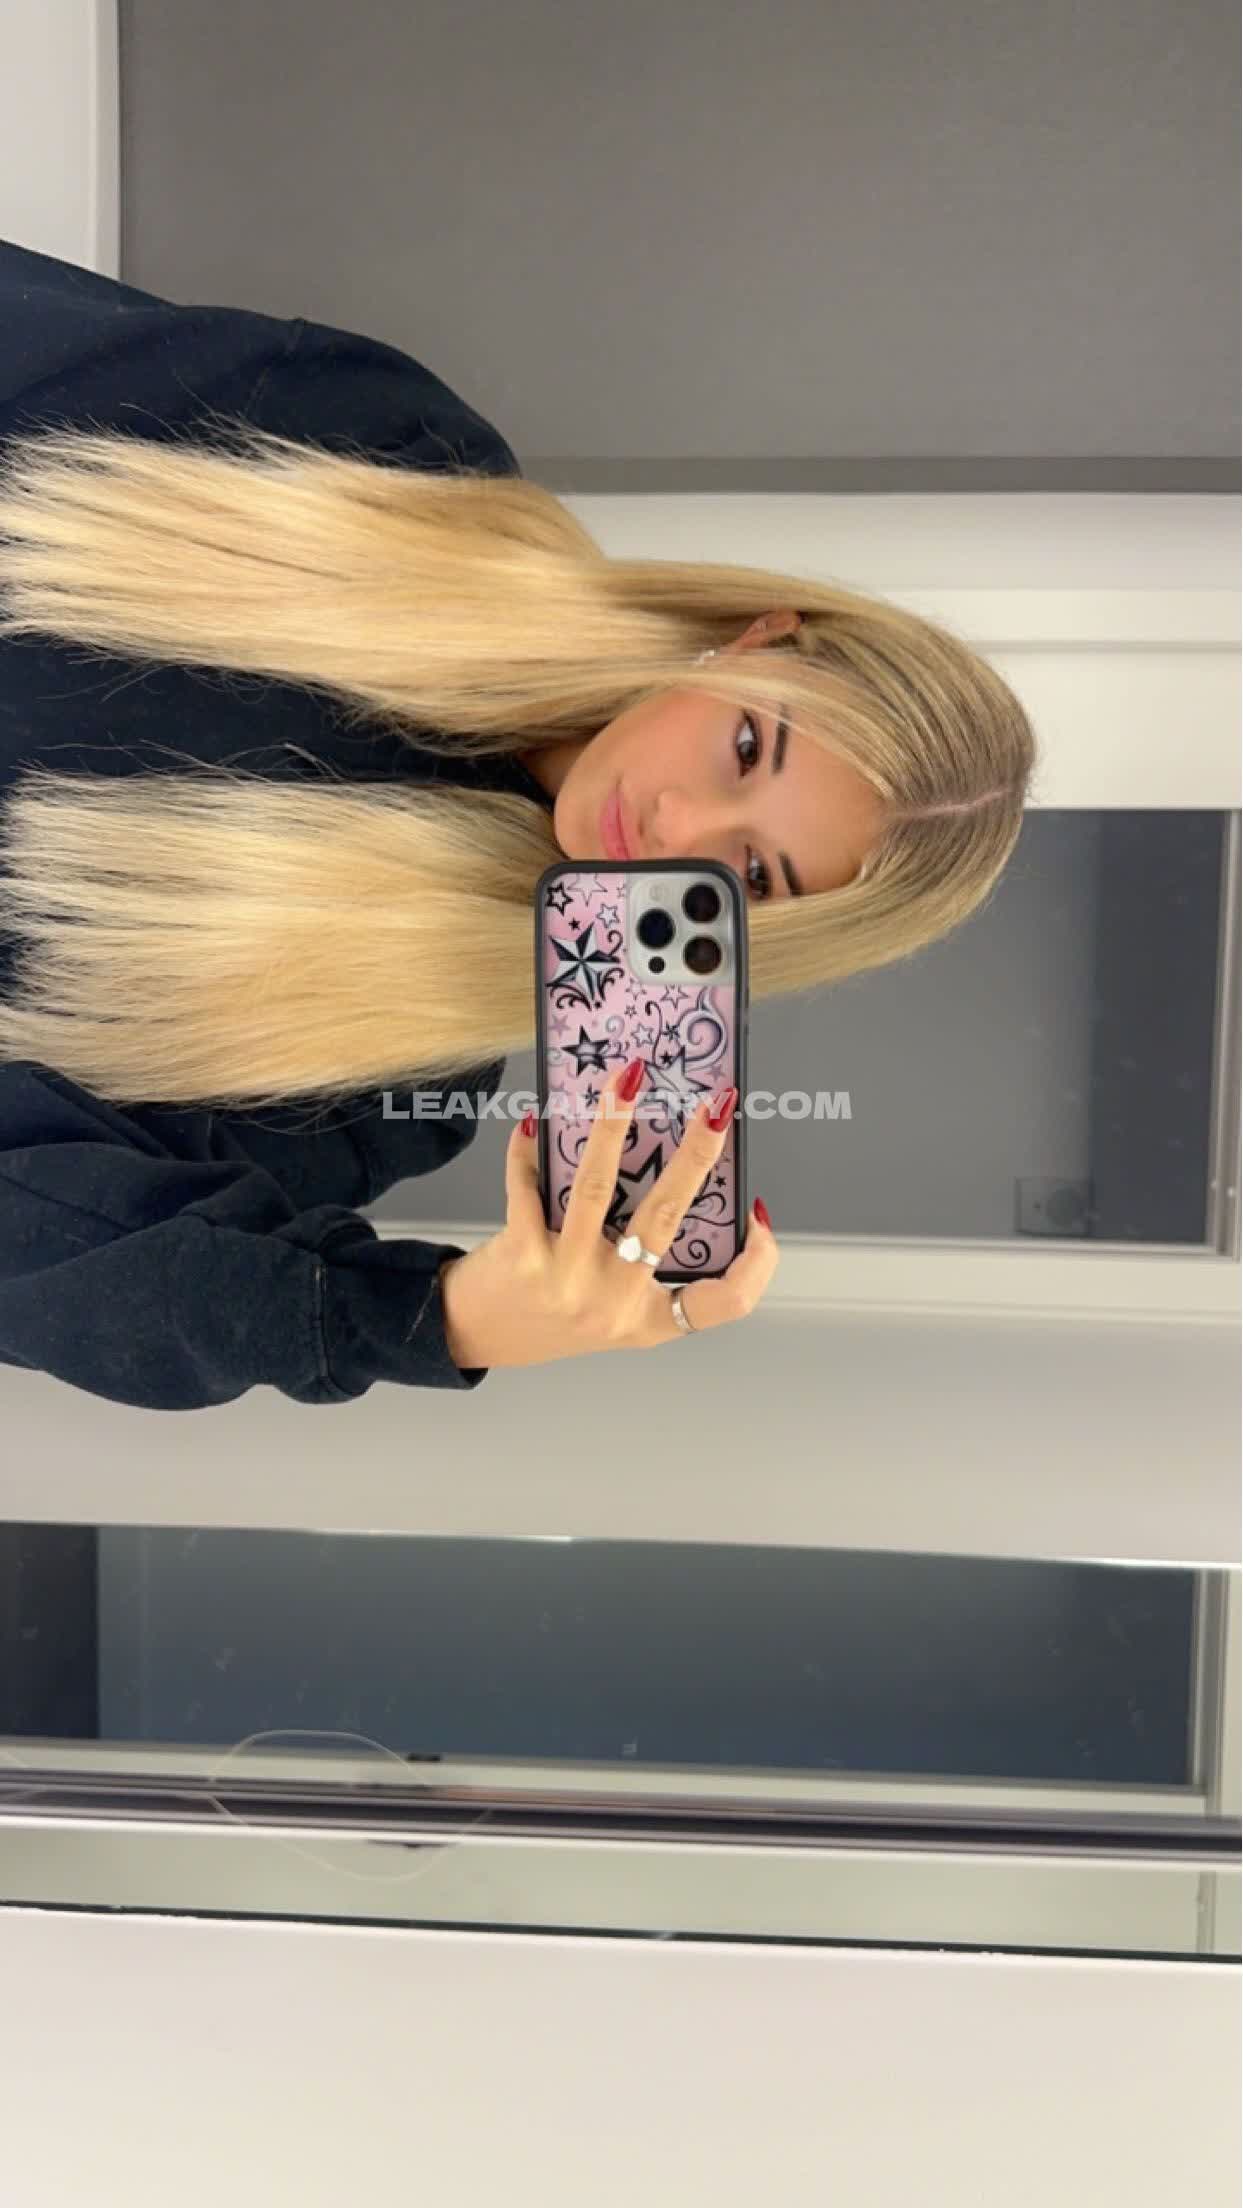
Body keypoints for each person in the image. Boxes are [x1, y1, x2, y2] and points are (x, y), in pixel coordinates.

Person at [0, 238, 1036, 1410]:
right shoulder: (399, 457)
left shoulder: (385, 1079)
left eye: (752, 872)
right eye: (748, 746)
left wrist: (437, 1318)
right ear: (756, 637)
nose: (677, 821)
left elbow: (35, 1243)